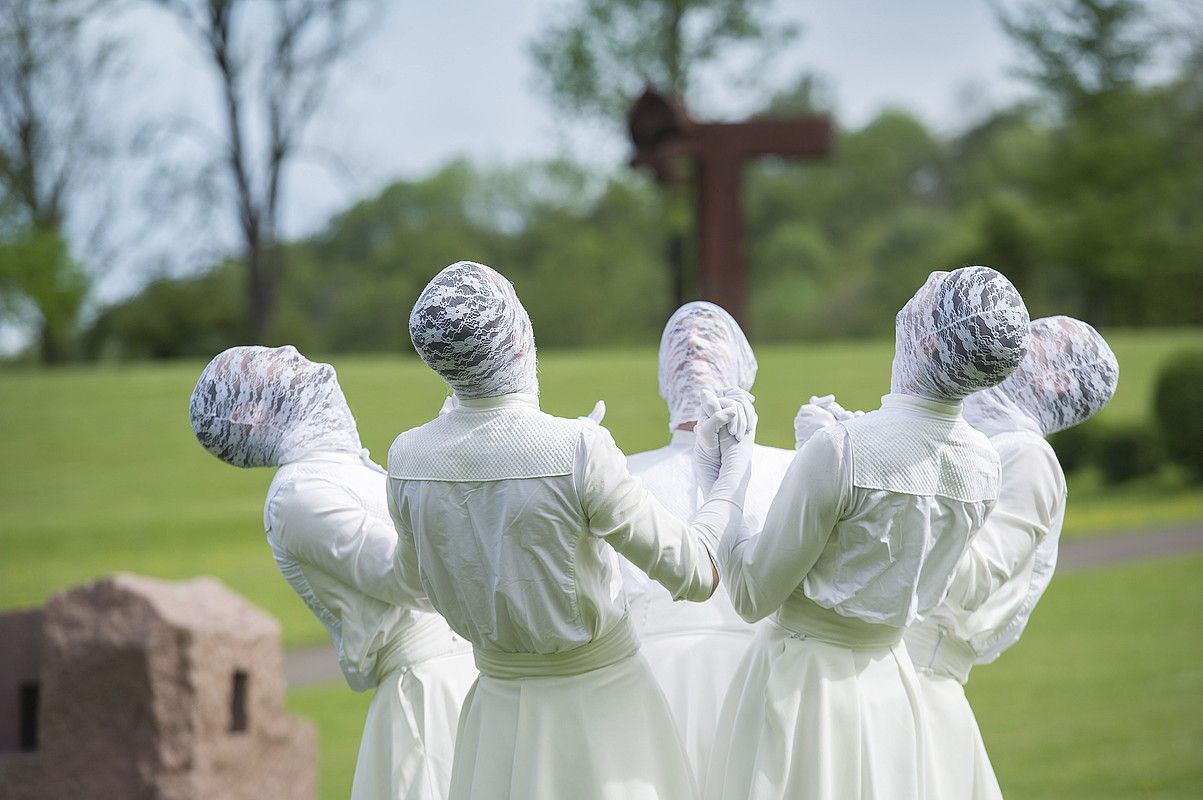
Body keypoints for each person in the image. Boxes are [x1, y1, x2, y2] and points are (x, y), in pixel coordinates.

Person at [385, 261, 753, 800]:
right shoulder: (577, 449)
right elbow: (696, 573)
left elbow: (415, 582)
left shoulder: (408, 455)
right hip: (600, 708)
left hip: (496, 708)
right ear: (517, 336)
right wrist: (728, 477)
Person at [704, 266, 1031, 800]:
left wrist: (727, 475)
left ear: (925, 339)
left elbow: (750, 593)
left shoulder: (843, 450)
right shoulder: (983, 465)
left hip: (808, 686)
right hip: (892, 683)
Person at [189, 345, 477, 800]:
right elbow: (414, 581)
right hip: (430, 695)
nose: (290, 352)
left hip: (466, 674)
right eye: (268, 365)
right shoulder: (300, 496)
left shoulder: (343, 469)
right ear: (252, 413)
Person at [903, 316, 1119, 799]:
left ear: (1061, 379)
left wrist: (891, 502)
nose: (1026, 340)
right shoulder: (959, 435)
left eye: (1044, 342)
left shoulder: (1028, 457)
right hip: (879, 662)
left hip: (916, 680)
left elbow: (971, 581)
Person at [622, 301, 794, 782]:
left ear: (665, 378)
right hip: (765, 681)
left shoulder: (620, 475)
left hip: (649, 689)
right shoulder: (795, 467)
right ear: (741, 367)